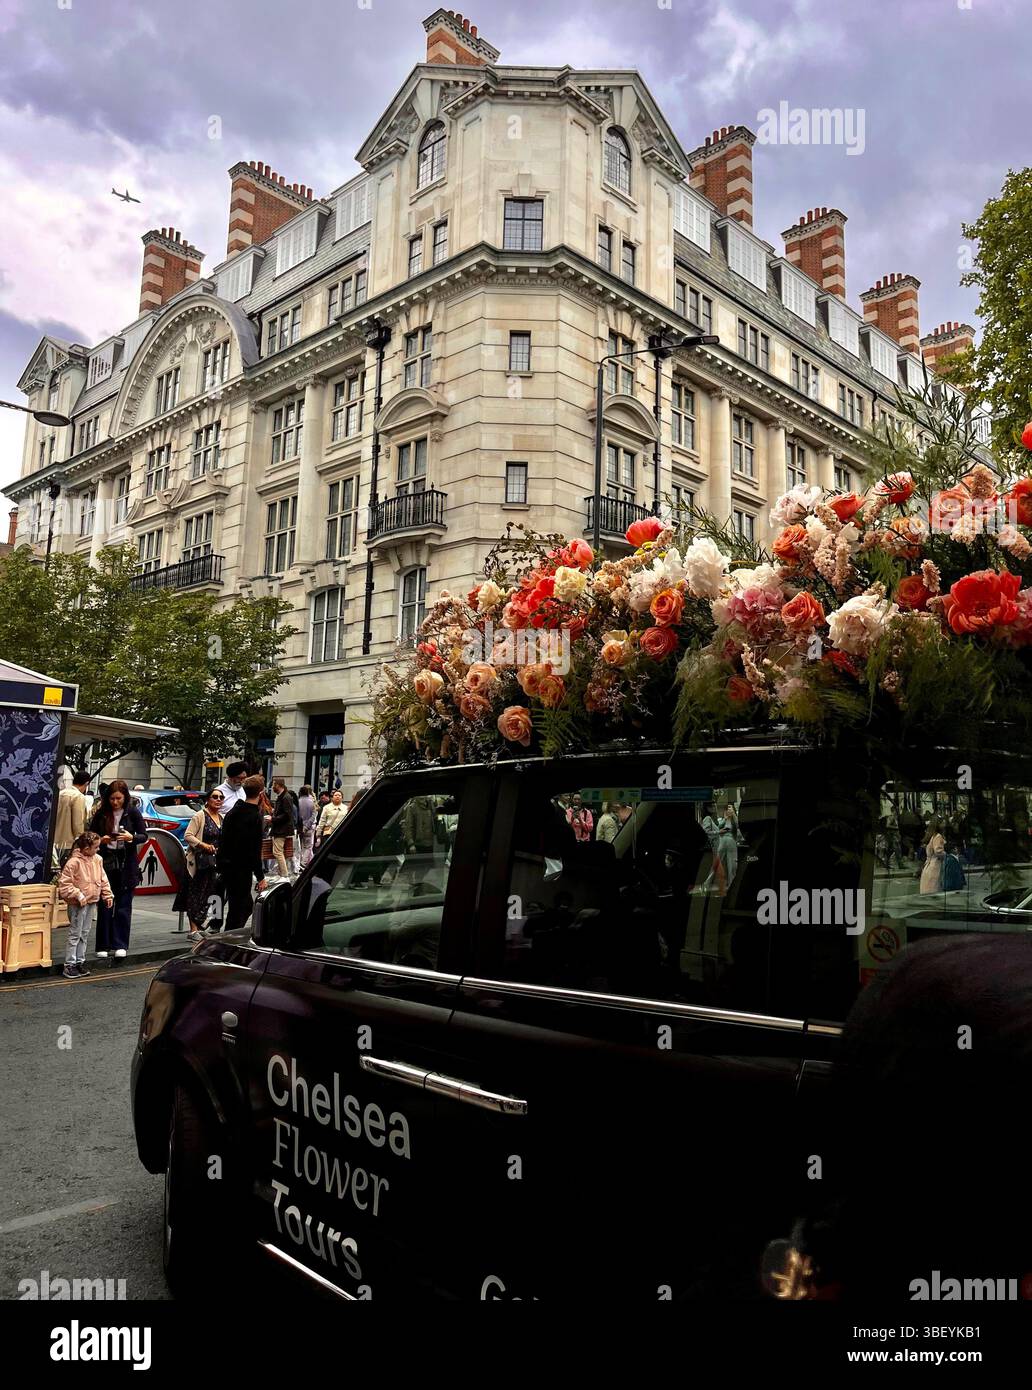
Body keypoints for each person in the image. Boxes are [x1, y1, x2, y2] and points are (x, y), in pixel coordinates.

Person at [88, 779, 147, 962]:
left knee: (123, 905)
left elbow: (144, 835)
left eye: (119, 798)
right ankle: (103, 945)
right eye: (112, 799)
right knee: (105, 903)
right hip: (106, 861)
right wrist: (101, 839)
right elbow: (90, 835)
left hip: (126, 863)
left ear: (125, 797)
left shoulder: (133, 813)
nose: (115, 802)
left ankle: (120, 944)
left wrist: (131, 837)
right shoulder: (102, 814)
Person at [57, 831, 113, 978]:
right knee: (75, 933)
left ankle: (79, 962)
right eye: (96, 847)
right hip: (78, 904)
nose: (98, 849)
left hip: (91, 901)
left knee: (84, 933)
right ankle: (69, 965)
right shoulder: (73, 862)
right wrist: (78, 895)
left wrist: (107, 894)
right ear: (86, 849)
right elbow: (64, 884)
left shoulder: (97, 859)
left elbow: (103, 878)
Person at [216, 774, 267, 934]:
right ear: (261, 793)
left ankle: (229, 933)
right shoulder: (254, 817)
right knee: (238, 908)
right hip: (241, 868)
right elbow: (254, 849)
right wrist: (260, 877)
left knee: (241, 905)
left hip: (227, 866)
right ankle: (229, 937)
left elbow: (223, 840)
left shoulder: (233, 812)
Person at [183, 787, 226, 942]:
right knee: (196, 894)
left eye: (221, 797)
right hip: (200, 862)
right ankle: (193, 930)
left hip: (214, 862)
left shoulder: (221, 818)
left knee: (209, 894)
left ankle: (200, 927)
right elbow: (188, 835)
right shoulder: (200, 816)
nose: (218, 800)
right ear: (208, 800)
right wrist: (203, 845)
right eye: (215, 797)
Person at [53, 770, 91, 868]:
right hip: (68, 842)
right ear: (86, 783)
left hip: (53, 841)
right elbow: (78, 824)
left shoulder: (60, 793)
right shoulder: (78, 797)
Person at [270, 777, 295, 878]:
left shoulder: (285, 797)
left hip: (282, 829)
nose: (272, 787)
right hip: (281, 828)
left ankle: (284, 874)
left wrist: (273, 819)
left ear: (278, 785)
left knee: (277, 852)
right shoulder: (283, 796)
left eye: (273, 785)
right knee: (279, 852)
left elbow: (287, 815)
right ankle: (282, 873)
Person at [919, 825, 946, 893]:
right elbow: (938, 851)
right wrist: (947, 855)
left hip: (928, 866)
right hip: (935, 865)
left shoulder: (933, 836)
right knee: (934, 889)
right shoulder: (938, 836)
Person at [298, 785, 317, 868]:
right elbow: (314, 815)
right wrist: (307, 826)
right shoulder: (312, 802)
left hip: (299, 826)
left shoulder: (298, 801)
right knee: (308, 846)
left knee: (300, 845)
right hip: (309, 827)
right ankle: (303, 862)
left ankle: (300, 862)